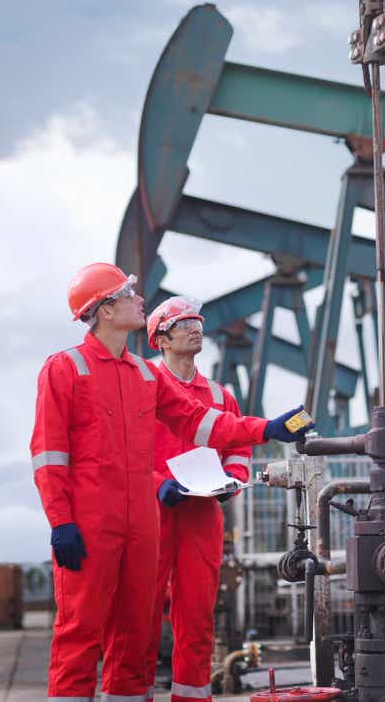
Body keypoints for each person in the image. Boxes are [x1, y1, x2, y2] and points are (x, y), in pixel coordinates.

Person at [29, 263, 311, 702]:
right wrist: (61, 521)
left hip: (141, 526)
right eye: (127, 294)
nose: (139, 300)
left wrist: (266, 428)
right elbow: (48, 457)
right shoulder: (66, 369)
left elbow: (199, 422)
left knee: (136, 630)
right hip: (90, 523)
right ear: (103, 310)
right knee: (80, 632)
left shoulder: (143, 375)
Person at [143, 296, 255, 702]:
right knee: (141, 614)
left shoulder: (220, 395)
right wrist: (157, 481)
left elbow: (239, 444)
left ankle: (192, 697)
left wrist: (234, 477)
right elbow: (128, 448)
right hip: (152, 512)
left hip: (202, 515)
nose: (196, 327)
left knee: (196, 617)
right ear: (161, 339)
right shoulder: (142, 387)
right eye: (183, 322)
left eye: (197, 321)